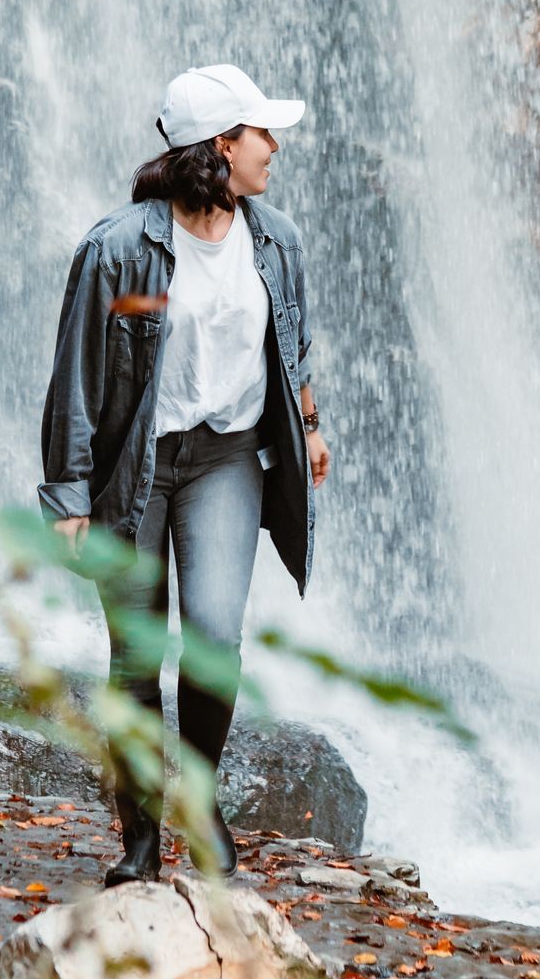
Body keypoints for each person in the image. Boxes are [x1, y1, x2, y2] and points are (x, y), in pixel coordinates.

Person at [38, 64, 332, 887]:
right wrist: (66, 490)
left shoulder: (277, 239)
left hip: (227, 458)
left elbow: (294, 341)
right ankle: (138, 838)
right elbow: (77, 376)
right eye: (258, 133)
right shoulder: (117, 248)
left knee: (211, 639)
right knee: (137, 655)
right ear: (219, 148)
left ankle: (199, 801)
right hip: (137, 466)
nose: (272, 146)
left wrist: (308, 425)